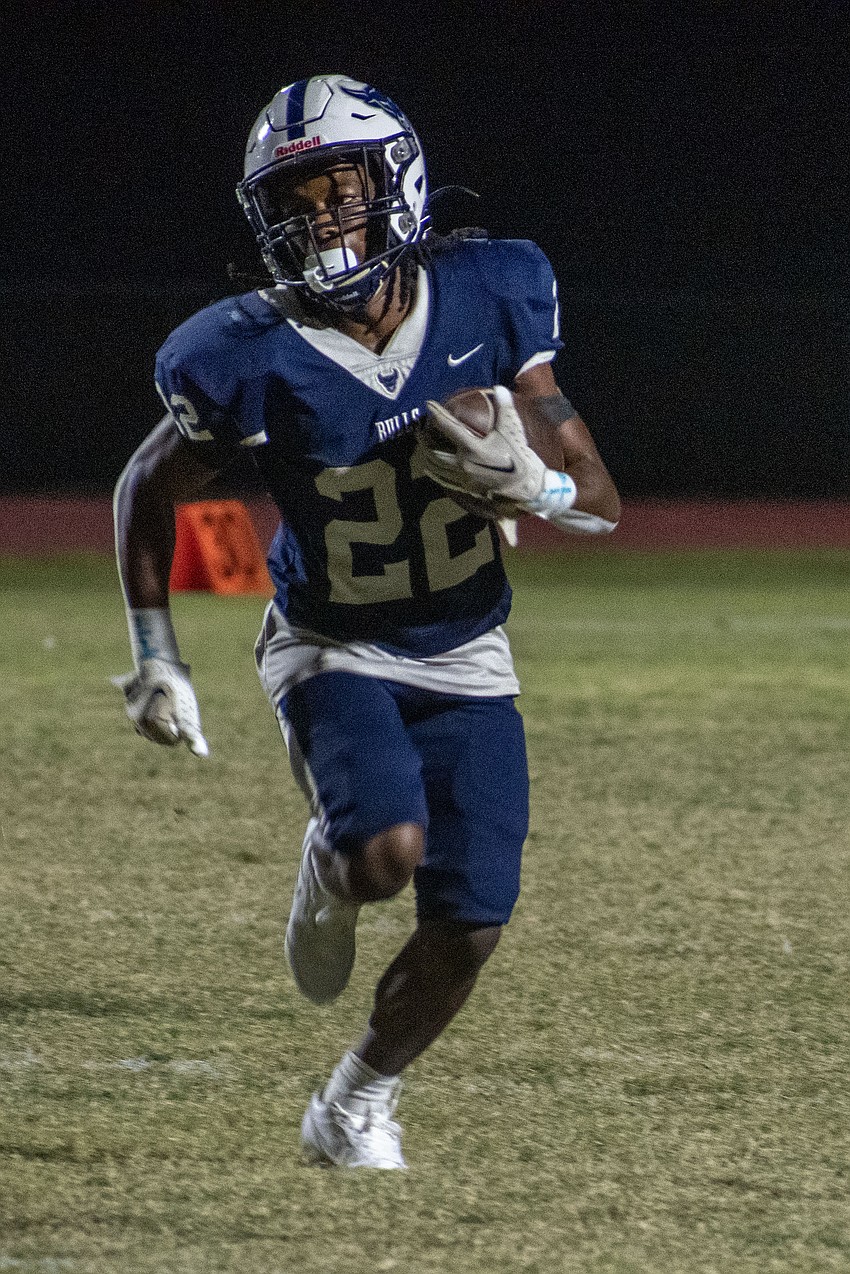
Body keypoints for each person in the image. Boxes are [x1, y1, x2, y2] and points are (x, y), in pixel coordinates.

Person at [113, 74, 621, 1170]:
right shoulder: (242, 351)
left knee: (475, 916)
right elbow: (146, 487)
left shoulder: (492, 292)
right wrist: (157, 651)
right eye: (290, 205)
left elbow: (602, 500)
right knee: (384, 848)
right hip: (331, 638)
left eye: (337, 192)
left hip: (468, 640)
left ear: (397, 183)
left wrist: (533, 485)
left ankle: (352, 1104)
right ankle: (334, 859)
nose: (317, 223)